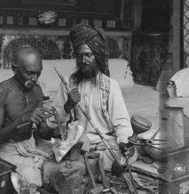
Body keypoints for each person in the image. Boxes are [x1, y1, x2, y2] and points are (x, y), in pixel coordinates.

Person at [52, 23, 134, 173]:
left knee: (128, 154)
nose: (83, 60)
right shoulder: (67, 83)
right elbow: (55, 122)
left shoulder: (111, 86)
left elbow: (122, 124)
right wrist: (68, 106)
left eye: (88, 55)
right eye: (79, 55)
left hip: (105, 143)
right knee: (55, 151)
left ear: (98, 56)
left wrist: (123, 142)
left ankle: (88, 166)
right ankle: (91, 166)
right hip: (76, 143)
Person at [0, 45, 60, 194]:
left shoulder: (37, 91)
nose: (35, 78)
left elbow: (42, 131)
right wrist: (23, 119)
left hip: (31, 144)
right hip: (8, 148)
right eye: (29, 73)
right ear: (15, 69)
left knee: (65, 156)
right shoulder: (1, 92)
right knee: (32, 177)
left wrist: (55, 130)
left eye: (38, 72)